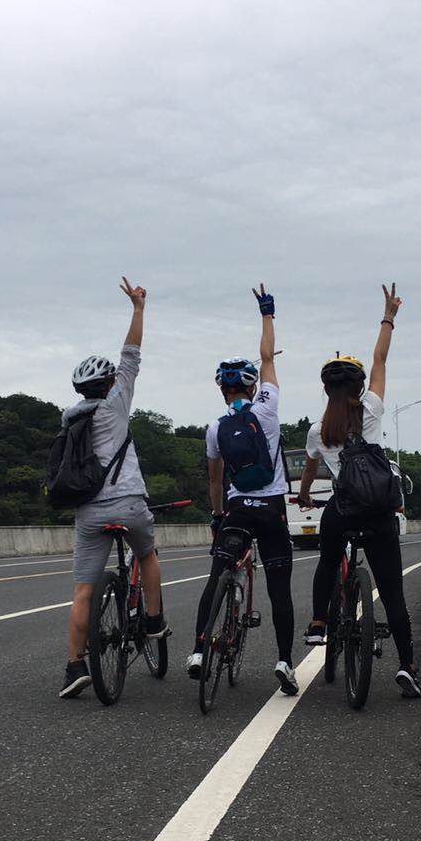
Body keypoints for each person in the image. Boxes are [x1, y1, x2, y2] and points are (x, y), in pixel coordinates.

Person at [299, 283, 421, 698]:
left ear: (326, 391)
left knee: (327, 562)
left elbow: (310, 470)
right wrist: (389, 316)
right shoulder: (372, 409)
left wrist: (303, 496)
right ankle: (407, 667)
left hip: (344, 511)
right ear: (358, 388)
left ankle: (318, 623)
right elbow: (380, 358)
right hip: (380, 513)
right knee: (392, 593)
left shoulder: (317, 431)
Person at [59, 277, 170, 698]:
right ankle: (153, 620)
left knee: (83, 591)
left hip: (88, 510)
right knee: (147, 554)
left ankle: (75, 666)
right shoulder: (116, 404)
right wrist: (138, 308)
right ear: (108, 385)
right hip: (128, 504)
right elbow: (131, 354)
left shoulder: (69, 418)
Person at [187, 283, 298, 696]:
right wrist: (267, 312)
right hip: (271, 509)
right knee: (279, 589)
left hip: (237, 511)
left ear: (222, 390)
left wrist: (218, 516)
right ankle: (284, 661)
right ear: (252, 388)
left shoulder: (215, 428)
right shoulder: (267, 408)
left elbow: (215, 480)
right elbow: (267, 356)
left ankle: (199, 650)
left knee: (217, 575)